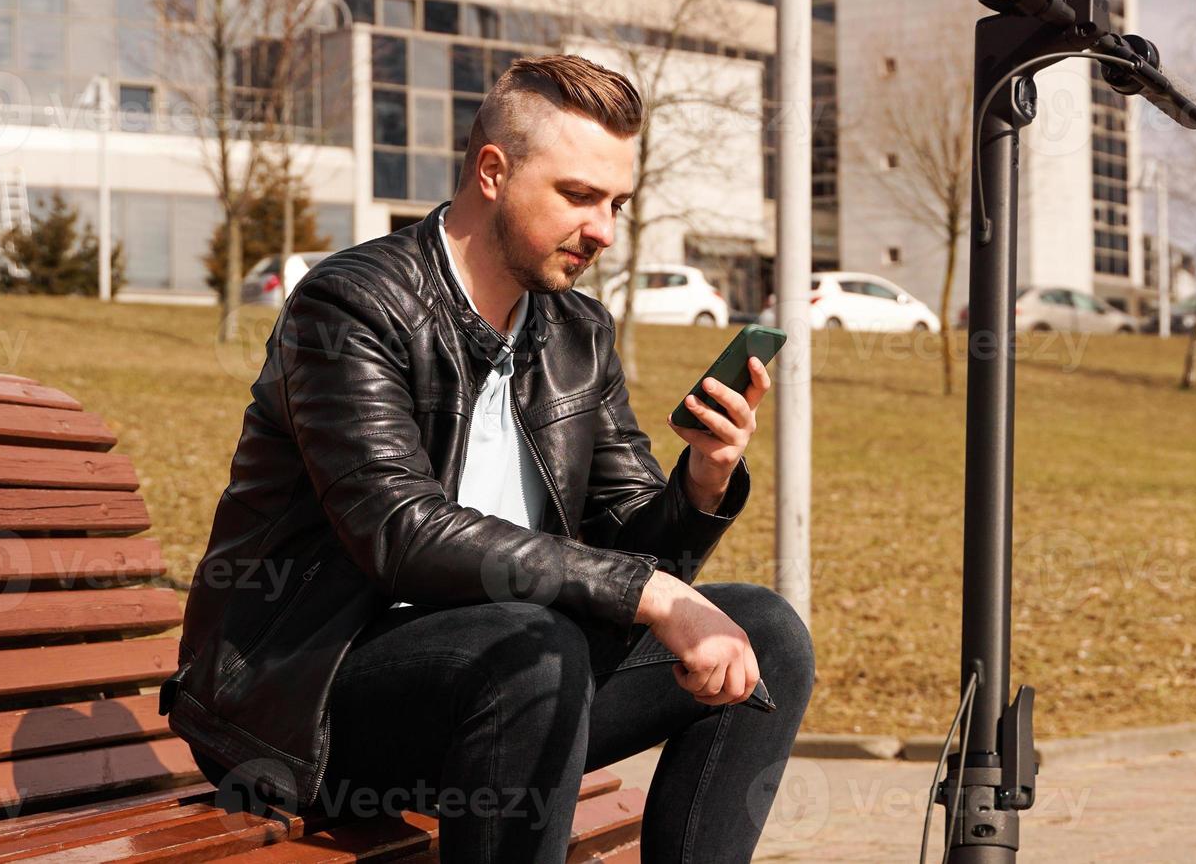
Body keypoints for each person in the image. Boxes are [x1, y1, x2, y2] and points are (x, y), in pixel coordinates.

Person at [162, 53, 814, 863]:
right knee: (532, 645)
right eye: (578, 196)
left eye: (616, 202)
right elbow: (401, 534)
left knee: (767, 632)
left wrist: (705, 479)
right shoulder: (353, 304)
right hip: (310, 702)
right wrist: (652, 594)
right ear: (494, 172)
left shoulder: (575, 332)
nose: (604, 229)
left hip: (514, 682)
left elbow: (633, 553)